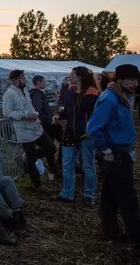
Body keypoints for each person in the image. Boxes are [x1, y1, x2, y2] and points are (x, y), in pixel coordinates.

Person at [87, 64, 140, 248]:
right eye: (130, 80)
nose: (134, 84)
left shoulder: (121, 96)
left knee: (110, 195)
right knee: (128, 198)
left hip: (121, 152)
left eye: (136, 80)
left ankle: (110, 232)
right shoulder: (110, 99)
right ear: (119, 80)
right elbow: (93, 128)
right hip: (116, 155)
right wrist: (106, 151)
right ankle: (136, 238)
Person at [2, 69, 56, 190]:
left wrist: (34, 115)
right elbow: (7, 112)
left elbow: (30, 105)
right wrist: (26, 114)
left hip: (35, 127)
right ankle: (37, 183)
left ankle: (23, 158)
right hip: (24, 130)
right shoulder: (9, 94)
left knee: (51, 148)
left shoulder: (25, 91)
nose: (25, 80)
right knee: (32, 158)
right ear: (16, 80)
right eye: (23, 77)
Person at [54, 67, 99, 205]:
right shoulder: (70, 92)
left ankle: (89, 195)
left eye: (72, 74)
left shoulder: (94, 94)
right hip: (70, 133)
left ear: (80, 77)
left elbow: (98, 116)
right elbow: (68, 112)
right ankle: (67, 194)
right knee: (67, 164)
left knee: (88, 166)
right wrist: (59, 115)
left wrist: (92, 131)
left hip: (86, 135)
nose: (69, 76)